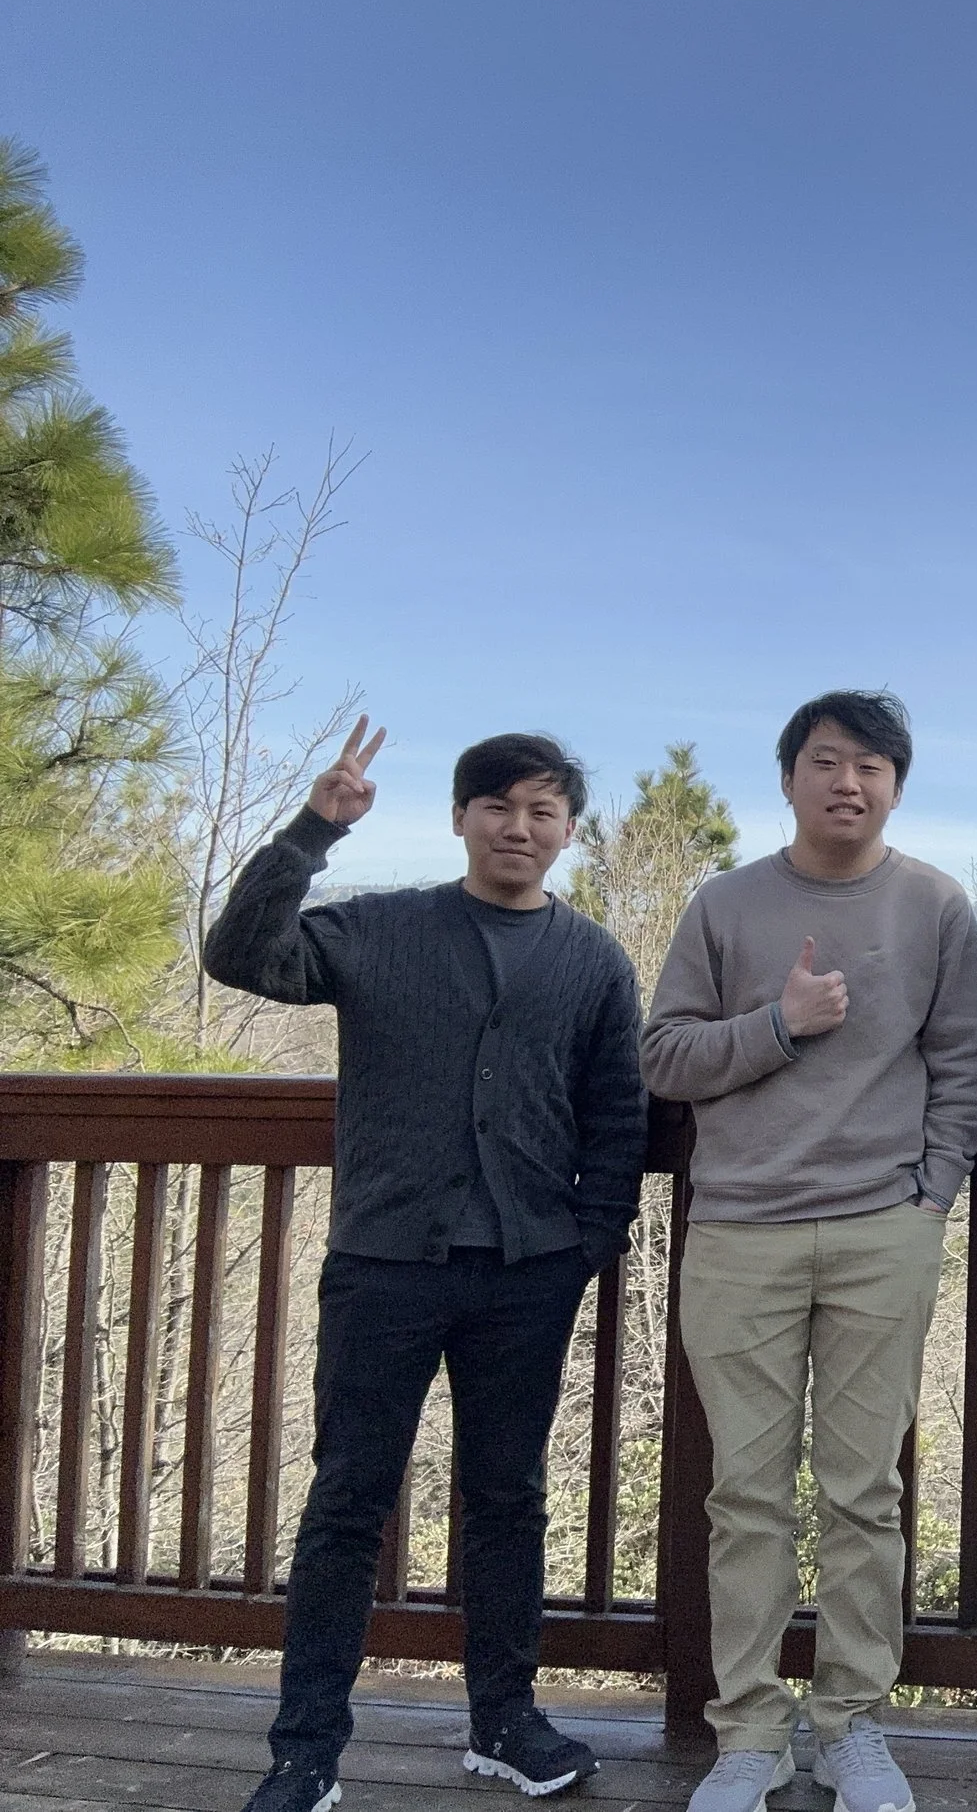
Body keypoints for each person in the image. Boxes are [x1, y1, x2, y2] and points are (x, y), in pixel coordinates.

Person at [206, 722, 645, 1812]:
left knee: (508, 1498)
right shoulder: (382, 927)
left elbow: (617, 1114)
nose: (519, 826)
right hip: (385, 1262)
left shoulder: (593, 959)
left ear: (568, 833)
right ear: (460, 818)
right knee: (349, 1500)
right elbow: (240, 957)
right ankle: (304, 1752)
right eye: (497, 805)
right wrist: (315, 829)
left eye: (543, 810)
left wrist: (589, 1242)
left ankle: (505, 1721)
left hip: (529, 1270)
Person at [643, 690, 977, 1812]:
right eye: (827, 762)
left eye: (873, 767)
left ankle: (853, 1727)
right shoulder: (725, 905)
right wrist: (777, 1027)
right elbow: (664, 1057)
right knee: (744, 1495)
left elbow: (967, 1066)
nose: (849, 783)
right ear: (791, 776)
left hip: (879, 1231)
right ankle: (747, 1734)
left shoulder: (936, 905)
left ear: (897, 785)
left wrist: (929, 1198)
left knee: (865, 1494)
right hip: (739, 1230)